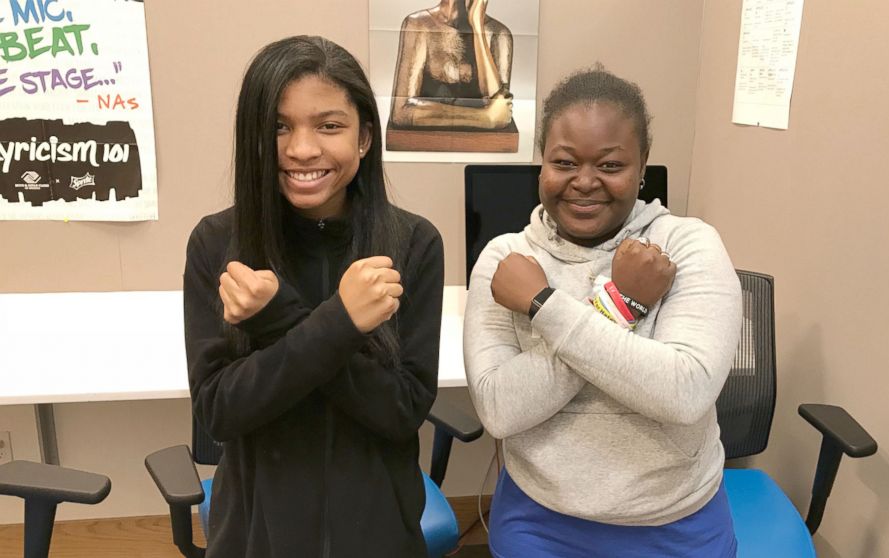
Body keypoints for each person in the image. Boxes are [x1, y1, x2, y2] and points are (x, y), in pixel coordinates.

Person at [463, 66, 742, 557]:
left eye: (610, 166)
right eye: (565, 162)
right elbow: (499, 410)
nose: (584, 183)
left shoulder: (685, 245)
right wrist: (621, 305)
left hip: (674, 522)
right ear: (542, 162)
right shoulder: (506, 261)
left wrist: (545, 306)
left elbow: (685, 392)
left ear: (642, 164)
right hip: (539, 520)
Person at [183, 36, 444, 557]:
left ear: (364, 137)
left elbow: (401, 411)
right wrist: (340, 323)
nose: (302, 149)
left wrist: (279, 319)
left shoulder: (412, 244)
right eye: (279, 127)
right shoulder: (218, 243)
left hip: (379, 537)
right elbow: (219, 414)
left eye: (329, 126)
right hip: (257, 538)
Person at [388, 0, 514, 130]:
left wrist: (477, 26)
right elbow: (401, 112)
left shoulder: (498, 34)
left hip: (478, 148)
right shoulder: (420, 25)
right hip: (431, 144)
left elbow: (501, 111)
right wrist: (484, 118)